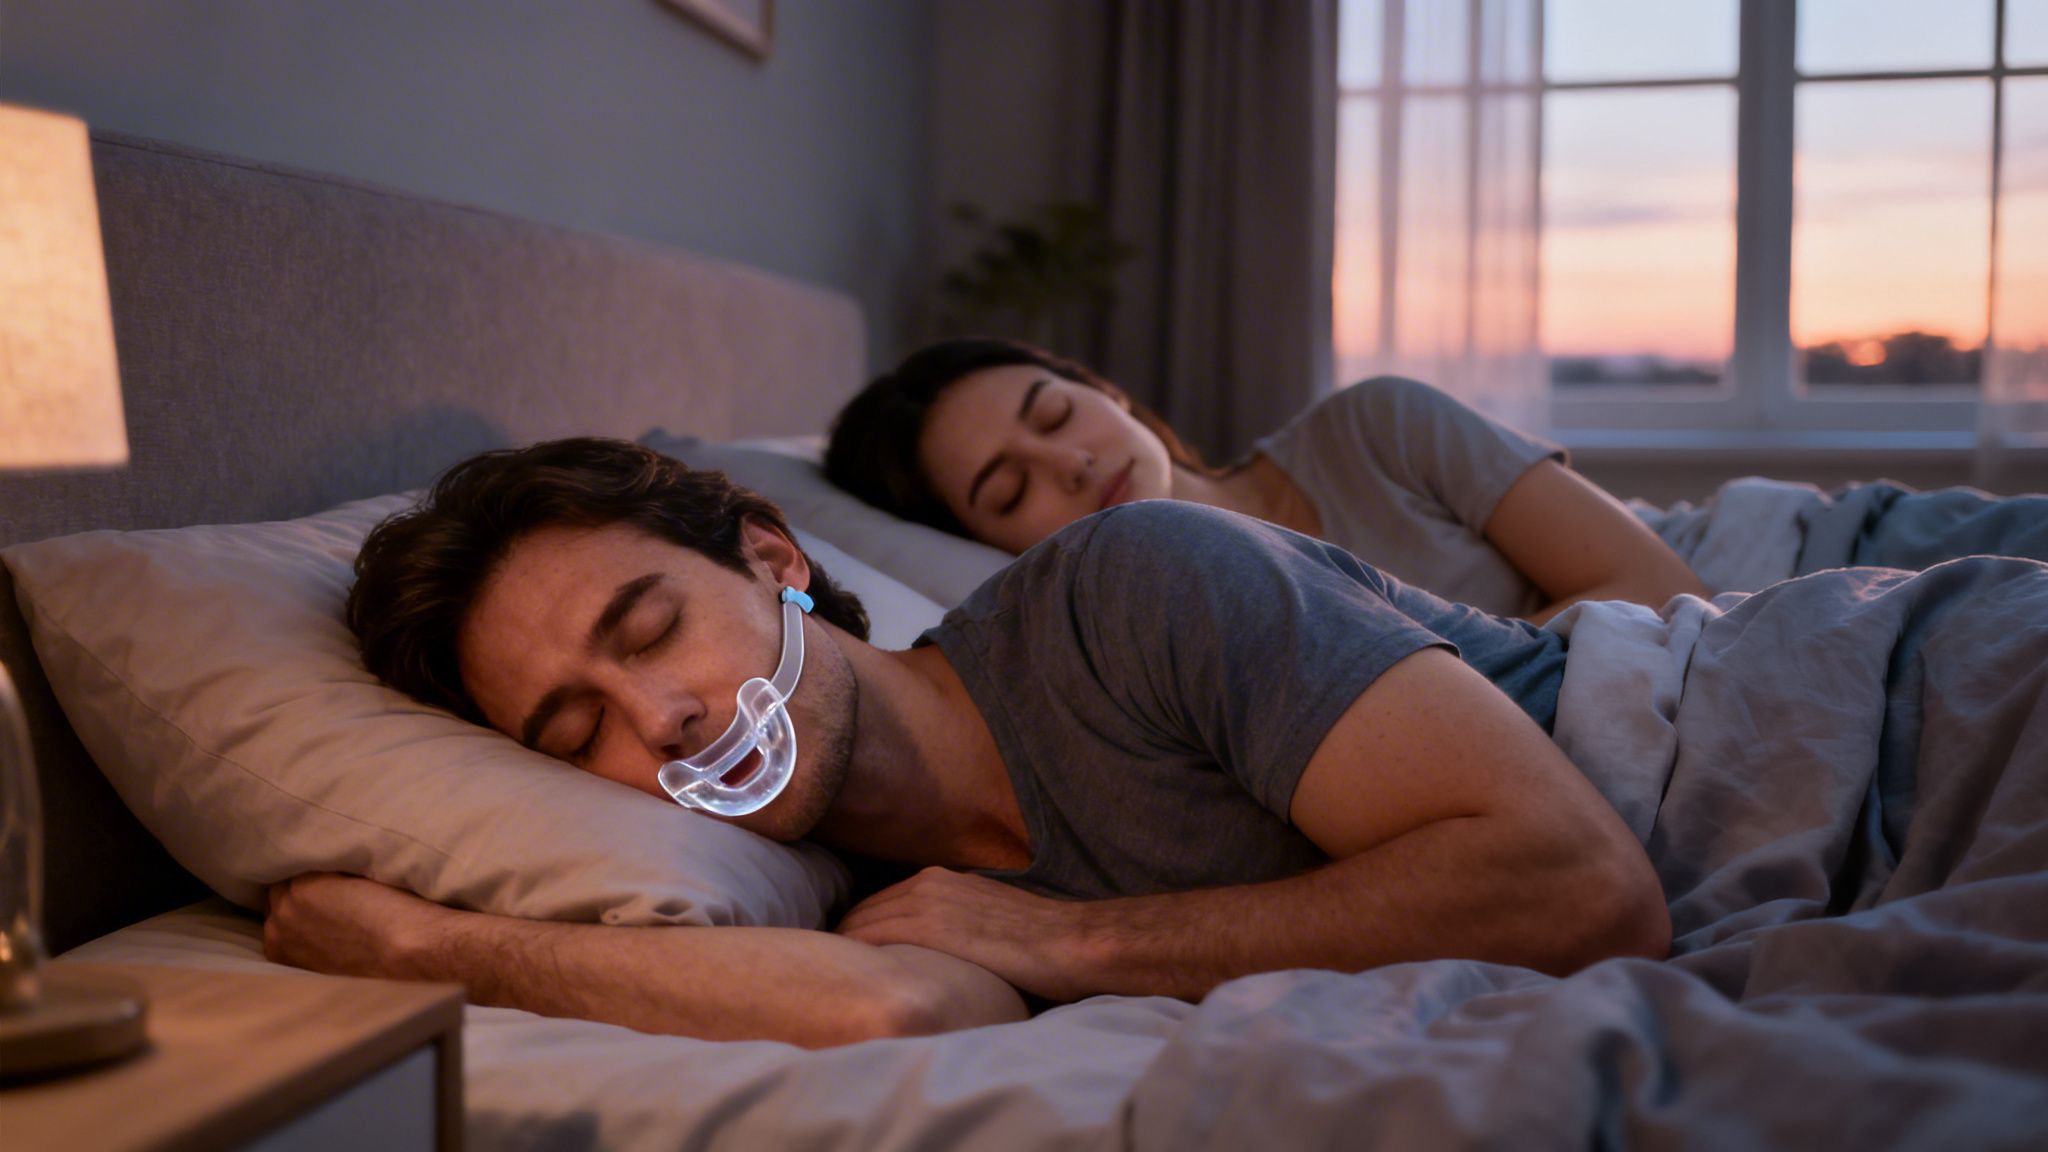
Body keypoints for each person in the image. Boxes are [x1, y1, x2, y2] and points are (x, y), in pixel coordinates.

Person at [264, 437, 2048, 1052]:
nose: (654, 720)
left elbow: (1574, 884)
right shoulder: (853, 887)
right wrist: (430, 948)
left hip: (1894, 705)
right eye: (571, 727)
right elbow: (898, 1007)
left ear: (773, 555)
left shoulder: (1127, 585)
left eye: (647, 631)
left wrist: (1077, 940)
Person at [823, 338, 2048, 612]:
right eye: (1005, 488)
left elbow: (1650, 583)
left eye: (1054, 413)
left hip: (1801, 563)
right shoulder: (1189, 631)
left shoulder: (1372, 426)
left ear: (1109, 395)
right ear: (997, 551)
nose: (1066, 457)